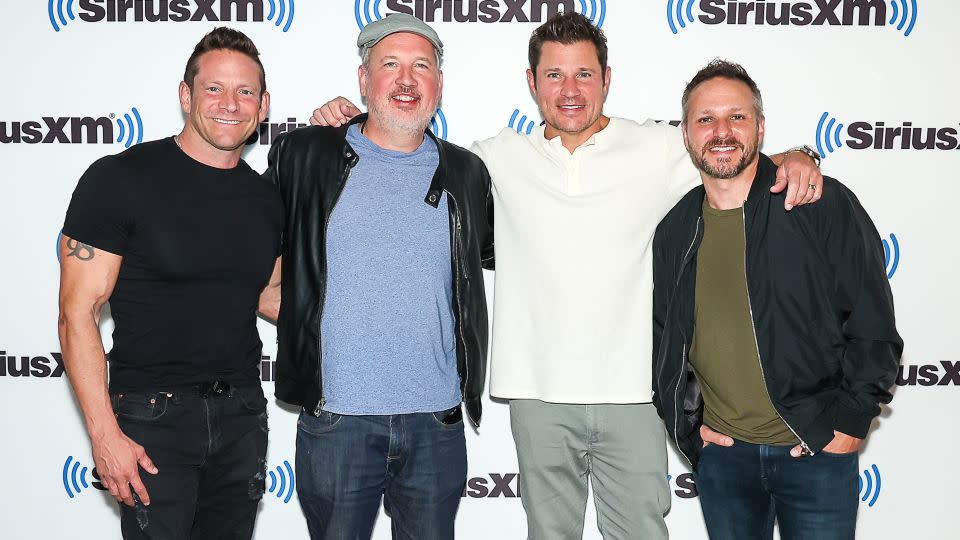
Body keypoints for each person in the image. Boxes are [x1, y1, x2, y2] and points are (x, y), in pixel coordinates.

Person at [311, 12, 821, 539]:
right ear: (532, 83)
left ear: (607, 79)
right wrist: (347, 121)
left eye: (584, 74)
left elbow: (731, 156)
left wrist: (799, 156)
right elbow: (403, 150)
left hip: (634, 394)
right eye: (554, 75)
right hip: (537, 397)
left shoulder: (659, 147)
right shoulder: (492, 159)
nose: (570, 90)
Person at [260, 13, 493, 540]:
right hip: (338, 419)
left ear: (439, 84)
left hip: (436, 422)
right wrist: (302, 314)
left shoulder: (467, 173)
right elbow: (247, 258)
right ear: (364, 81)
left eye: (421, 67)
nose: (406, 80)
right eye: (389, 65)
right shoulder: (306, 155)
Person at [652, 59, 903, 539]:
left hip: (815, 454)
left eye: (737, 117)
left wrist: (849, 424)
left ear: (761, 128)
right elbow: (666, 341)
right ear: (686, 134)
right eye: (706, 119)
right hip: (725, 462)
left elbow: (873, 323)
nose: (721, 131)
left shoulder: (819, 204)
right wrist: (689, 428)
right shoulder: (675, 230)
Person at [58, 27, 281, 539]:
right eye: (214, 89)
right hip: (152, 422)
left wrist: (360, 321)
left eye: (246, 91)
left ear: (263, 106)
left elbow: (269, 294)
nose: (230, 104)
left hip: (243, 416)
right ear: (185, 95)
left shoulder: (266, 197)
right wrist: (104, 434)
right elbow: (77, 314)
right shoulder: (119, 179)